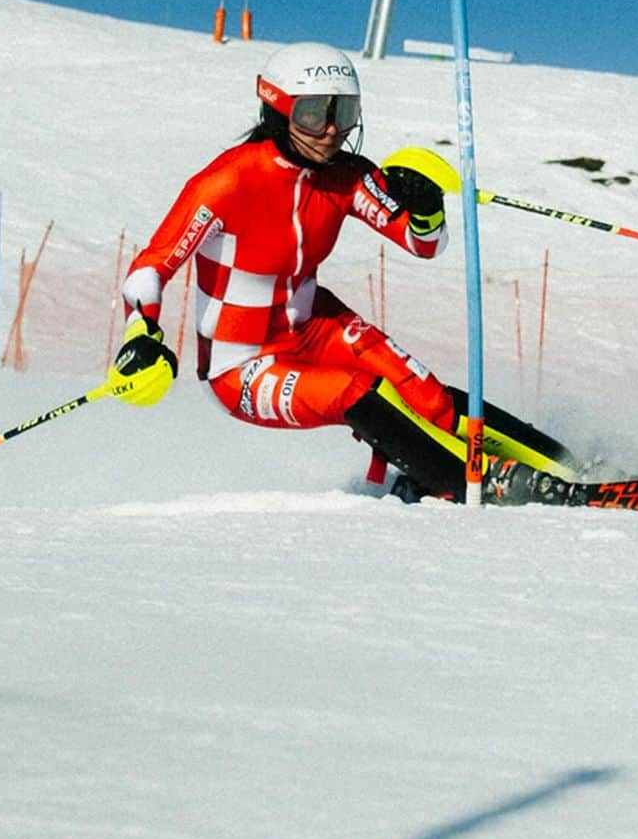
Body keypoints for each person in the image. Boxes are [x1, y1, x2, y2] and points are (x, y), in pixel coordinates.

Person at [107, 41, 577, 506]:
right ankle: (468, 484)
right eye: (314, 114)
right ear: (278, 110)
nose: (332, 130)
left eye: (345, 112)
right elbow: (152, 266)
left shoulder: (347, 175)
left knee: (425, 394)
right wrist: (140, 331)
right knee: (356, 392)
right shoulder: (228, 180)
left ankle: (571, 466)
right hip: (242, 364)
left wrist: (426, 208)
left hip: (314, 326)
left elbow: (424, 244)